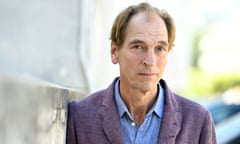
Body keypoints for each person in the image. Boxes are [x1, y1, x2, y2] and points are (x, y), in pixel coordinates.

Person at [66, 2, 216, 144]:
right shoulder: (80, 117)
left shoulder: (198, 120)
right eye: (138, 47)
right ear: (114, 51)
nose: (150, 61)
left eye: (160, 48)